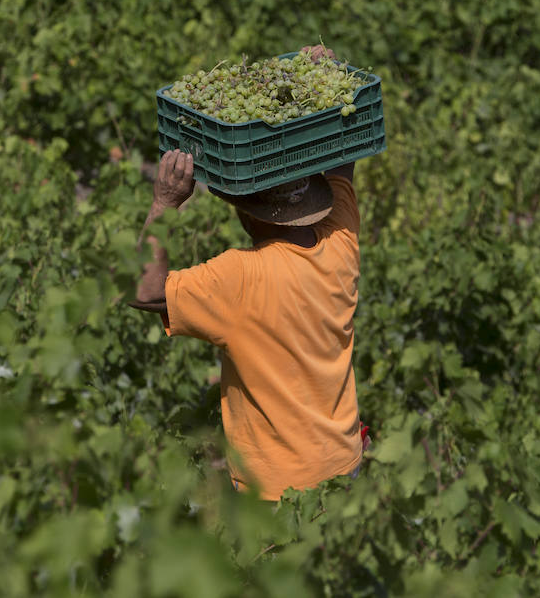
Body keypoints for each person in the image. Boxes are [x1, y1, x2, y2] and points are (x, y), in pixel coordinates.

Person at [130, 48, 369, 501]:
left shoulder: (239, 279)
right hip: (344, 465)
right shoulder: (341, 239)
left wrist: (164, 203)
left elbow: (142, 290)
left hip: (278, 491)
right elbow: (342, 158)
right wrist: (327, 77)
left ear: (246, 211)